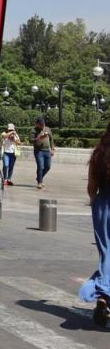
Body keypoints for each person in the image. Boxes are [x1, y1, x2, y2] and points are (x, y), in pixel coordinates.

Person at [81, 119, 110, 327]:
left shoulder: (98, 154)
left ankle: (102, 295)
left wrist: (95, 202)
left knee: (107, 252)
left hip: (102, 206)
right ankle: (102, 292)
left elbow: (92, 186)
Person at [31, 117, 55, 189]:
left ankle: (39, 177)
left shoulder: (48, 129)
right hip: (38, 151)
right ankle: (40, 182)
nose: (42, 126)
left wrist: (52, 148)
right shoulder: (33, 130)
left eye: (43, 124)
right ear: (37, 124)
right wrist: (39, 138)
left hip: (47, 151)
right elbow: (31, 140)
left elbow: (51, 139)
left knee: (48, 167)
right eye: (41, 125)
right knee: (40, 166)